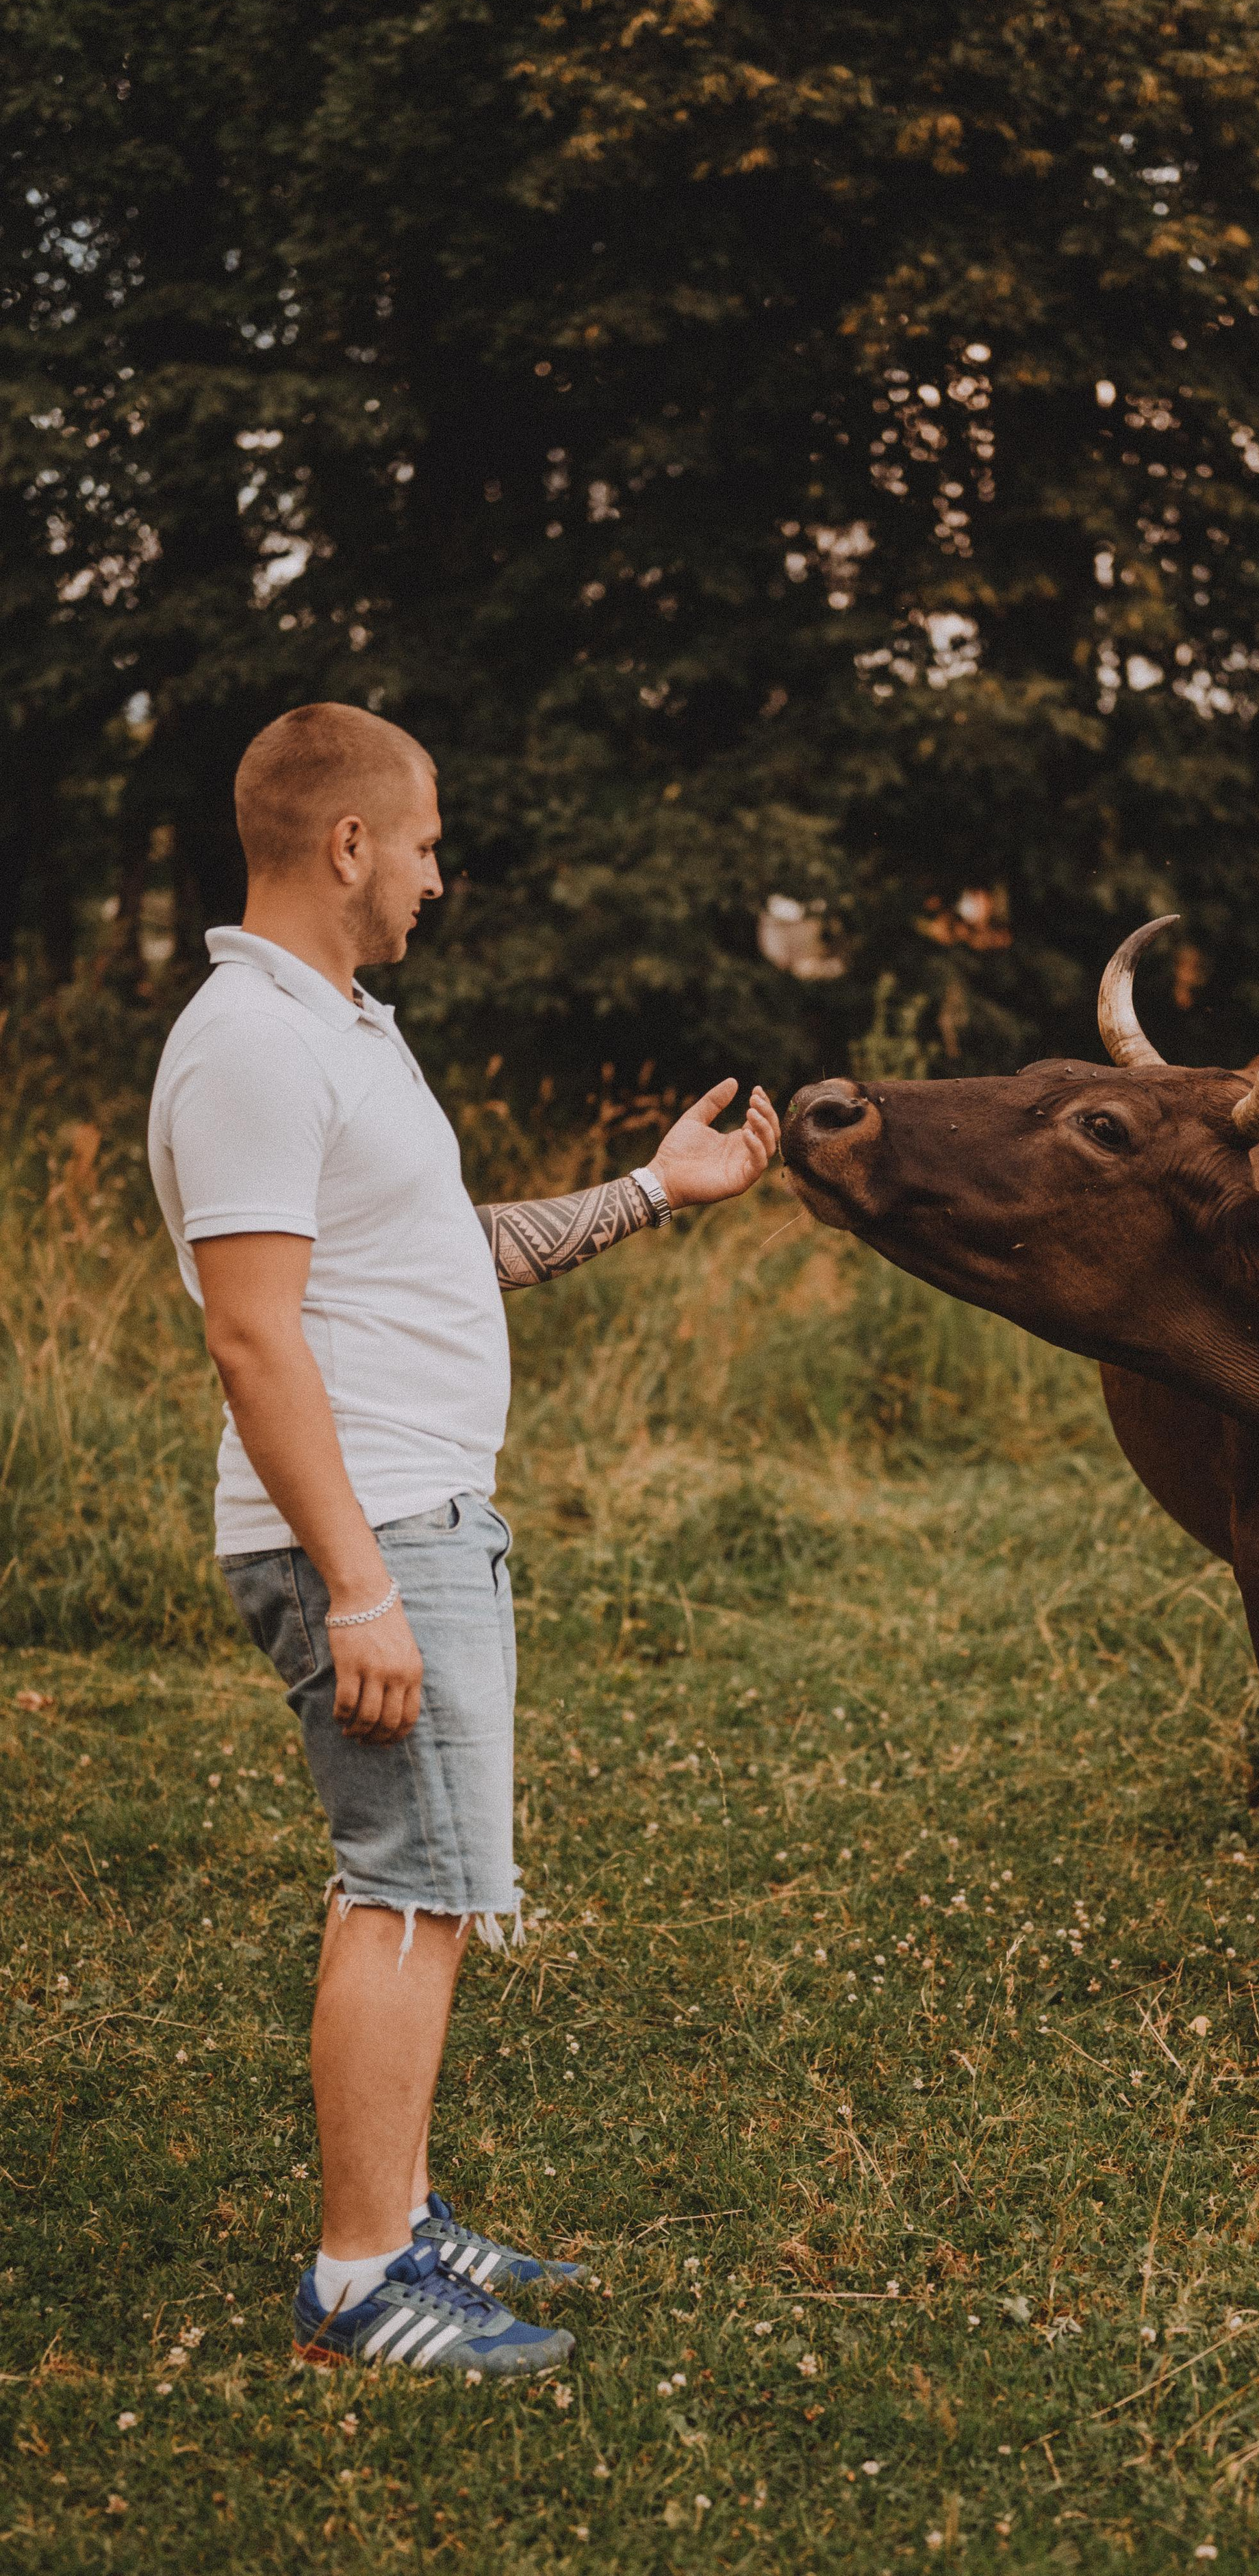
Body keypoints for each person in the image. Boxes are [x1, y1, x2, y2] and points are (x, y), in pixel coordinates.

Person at [148, 702, 778, 2373]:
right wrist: (358, 1582)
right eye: (423, 841)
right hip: (370, 1527)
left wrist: (653, 1191)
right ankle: (361, 2282)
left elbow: (440, 1250)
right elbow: (253, 1336)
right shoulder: (249, 1045)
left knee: (429, 1883)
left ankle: (406, 2210)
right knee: (410, 1893)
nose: (439, 873)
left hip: (423, 1511)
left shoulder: (348, 1031)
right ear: (349, 843)